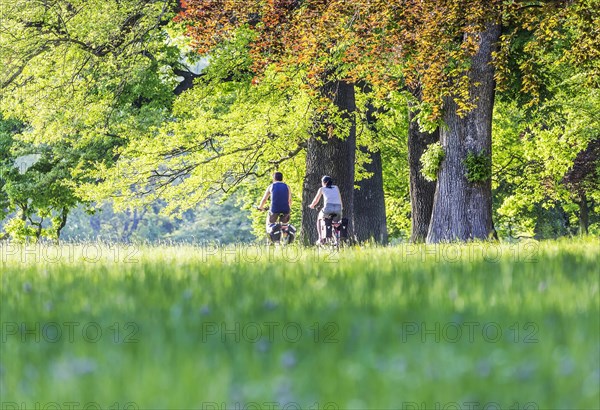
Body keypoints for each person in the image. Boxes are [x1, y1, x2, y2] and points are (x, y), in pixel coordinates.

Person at [309, 175, 343, 244]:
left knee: (319, 218)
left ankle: (320, 238)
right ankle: (337, 239)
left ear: (324, 182)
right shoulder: (336, 187)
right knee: (336, 222)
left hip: (328, 209)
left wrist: (312, 205)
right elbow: (340, 198)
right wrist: (341, 208)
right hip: (338, 209)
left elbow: (316, 200)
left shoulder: (322, 189)